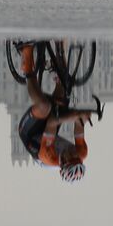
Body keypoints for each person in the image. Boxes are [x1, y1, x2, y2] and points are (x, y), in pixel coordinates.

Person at [15, 42, 94, 182]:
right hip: (49, 131)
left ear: (63, 162)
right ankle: (59, 49)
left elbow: (52, 122)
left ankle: (26, 61)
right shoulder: (82, 152)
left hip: (30, 133)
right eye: (77, 158)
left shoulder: (48, 156)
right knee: (65, 88)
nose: (75, 154)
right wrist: (83, 117)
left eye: (72, 157)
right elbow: (79, 125)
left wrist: (75, 115)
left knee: (45, 106)